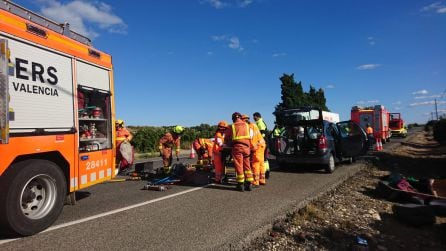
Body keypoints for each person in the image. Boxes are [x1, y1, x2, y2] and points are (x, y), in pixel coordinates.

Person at [224, 112, 254, 191]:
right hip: (247, 148)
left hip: (237, 148)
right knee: (247, 165)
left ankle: (241, 184)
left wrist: (229, 144)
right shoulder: (247, 125)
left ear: (233, 119)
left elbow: (226, 138)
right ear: (240, 117)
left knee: (239, 165)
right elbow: (251, 136)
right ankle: (249, 183)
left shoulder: (232, 126)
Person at [242, 114, 266, 187]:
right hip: (262, 145)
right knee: (261, 163)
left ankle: (256, 182)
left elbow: (251, 139)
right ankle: (262, 180)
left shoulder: (249, 127)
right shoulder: (254, 125)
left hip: (257, 147)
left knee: (255, 164)